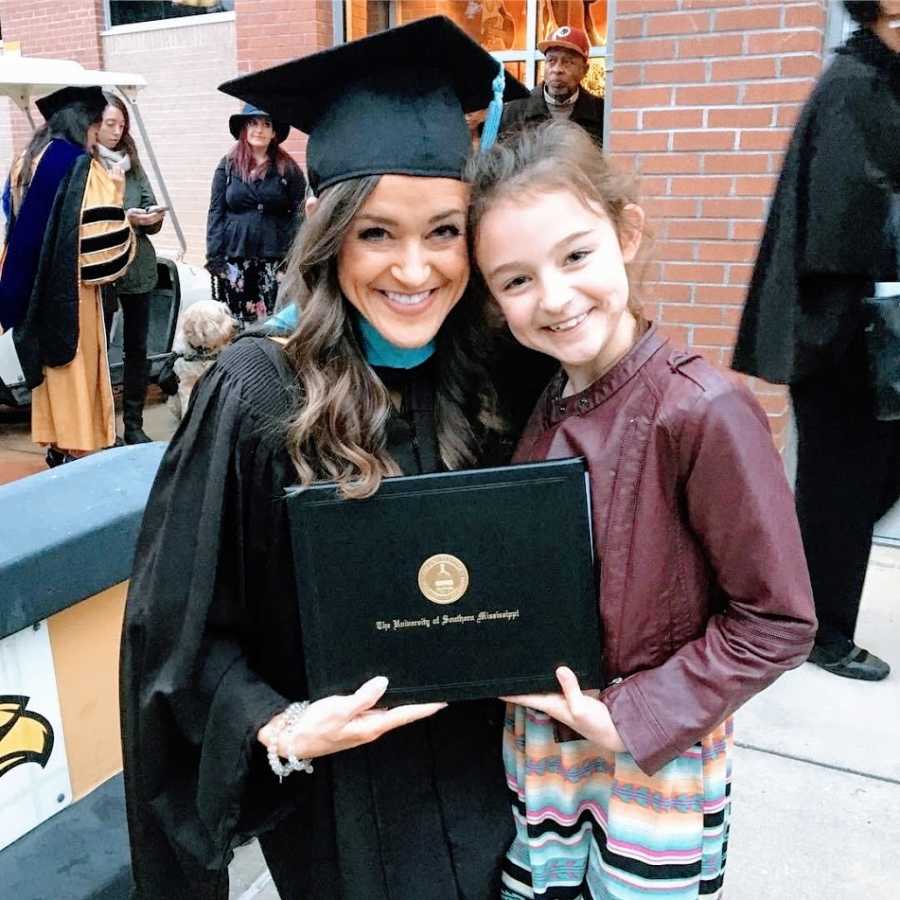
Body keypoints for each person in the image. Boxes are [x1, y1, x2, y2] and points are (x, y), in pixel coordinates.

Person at [120, 17, 547, 900]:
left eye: (444, 231)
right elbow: (179, 636)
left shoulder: (502, 375)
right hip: (348, 822)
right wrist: (277, 728)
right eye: (377, 233)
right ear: (327, 234)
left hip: (507, 796)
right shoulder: (259, 392)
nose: (415, 269)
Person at [466, 120, 817, 899]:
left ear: (625, 232)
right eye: (515, 280)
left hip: (644, 753)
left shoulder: (702, 410)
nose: (553, 297)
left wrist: (633, 715)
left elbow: (779, 620)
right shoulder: (541, 400)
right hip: (547, 748)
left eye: (575, 255)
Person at [732, 0, 900, 682]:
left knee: (852, 485)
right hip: (841, 338)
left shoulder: (878, 80)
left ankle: (793, 605)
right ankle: (820, 632)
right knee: (841, 487)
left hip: (858, 332)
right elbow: (840, 230)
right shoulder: (855, 85)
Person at [0, 86, 134, 466]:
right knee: (75, 365)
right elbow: (97, 246)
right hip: (70, 291)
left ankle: (57, 444)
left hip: (33, 287)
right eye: (95, 128)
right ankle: (79, 448)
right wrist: (119, 199)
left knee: (50, 365)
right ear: (83, 126)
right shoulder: (81, 167)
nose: (97, 136)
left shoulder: (27, 160)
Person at [95, 94, 165, 445]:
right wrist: (125, 218)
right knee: (99, 350)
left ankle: (134, 424)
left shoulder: (133, 165)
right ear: (95, 125)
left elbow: (149, 205)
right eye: (110, 124)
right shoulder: (88, 165)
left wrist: (151, 218)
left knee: (137, 348)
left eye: (121, 125)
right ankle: (102, 425)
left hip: (138, 265)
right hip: (102, 270)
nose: (116, 131)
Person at [205, 103, 306, 326]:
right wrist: (215, 256)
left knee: (275, 318)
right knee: (235, 321)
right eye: (252, 123)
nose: (259, 130)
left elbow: (300, 215)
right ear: (244, 129)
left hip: (275, 257)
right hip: (235, 257)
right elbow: (216, 211)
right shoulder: (228, 166)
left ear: (274, 132)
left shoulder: (288, 169)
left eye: (266, 124)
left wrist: (294, 256)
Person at [499, 24, 604, 148]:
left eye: (568, 62)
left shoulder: (600, 112)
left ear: (584, 70)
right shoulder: (514, 111)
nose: (557, 69)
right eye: (551, 61)